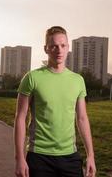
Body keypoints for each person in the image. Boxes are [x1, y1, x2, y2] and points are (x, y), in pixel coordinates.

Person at [14, 26, 96, 177]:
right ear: (46, 49)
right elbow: (20, 117)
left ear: (68, 48)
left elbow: (82, 118)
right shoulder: (32, 78)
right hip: (39, 156)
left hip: (70, 157)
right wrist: (19, 157)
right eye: (54, 46)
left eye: (63, 45)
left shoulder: (78, 80)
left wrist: (90, 155)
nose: (59, 50)